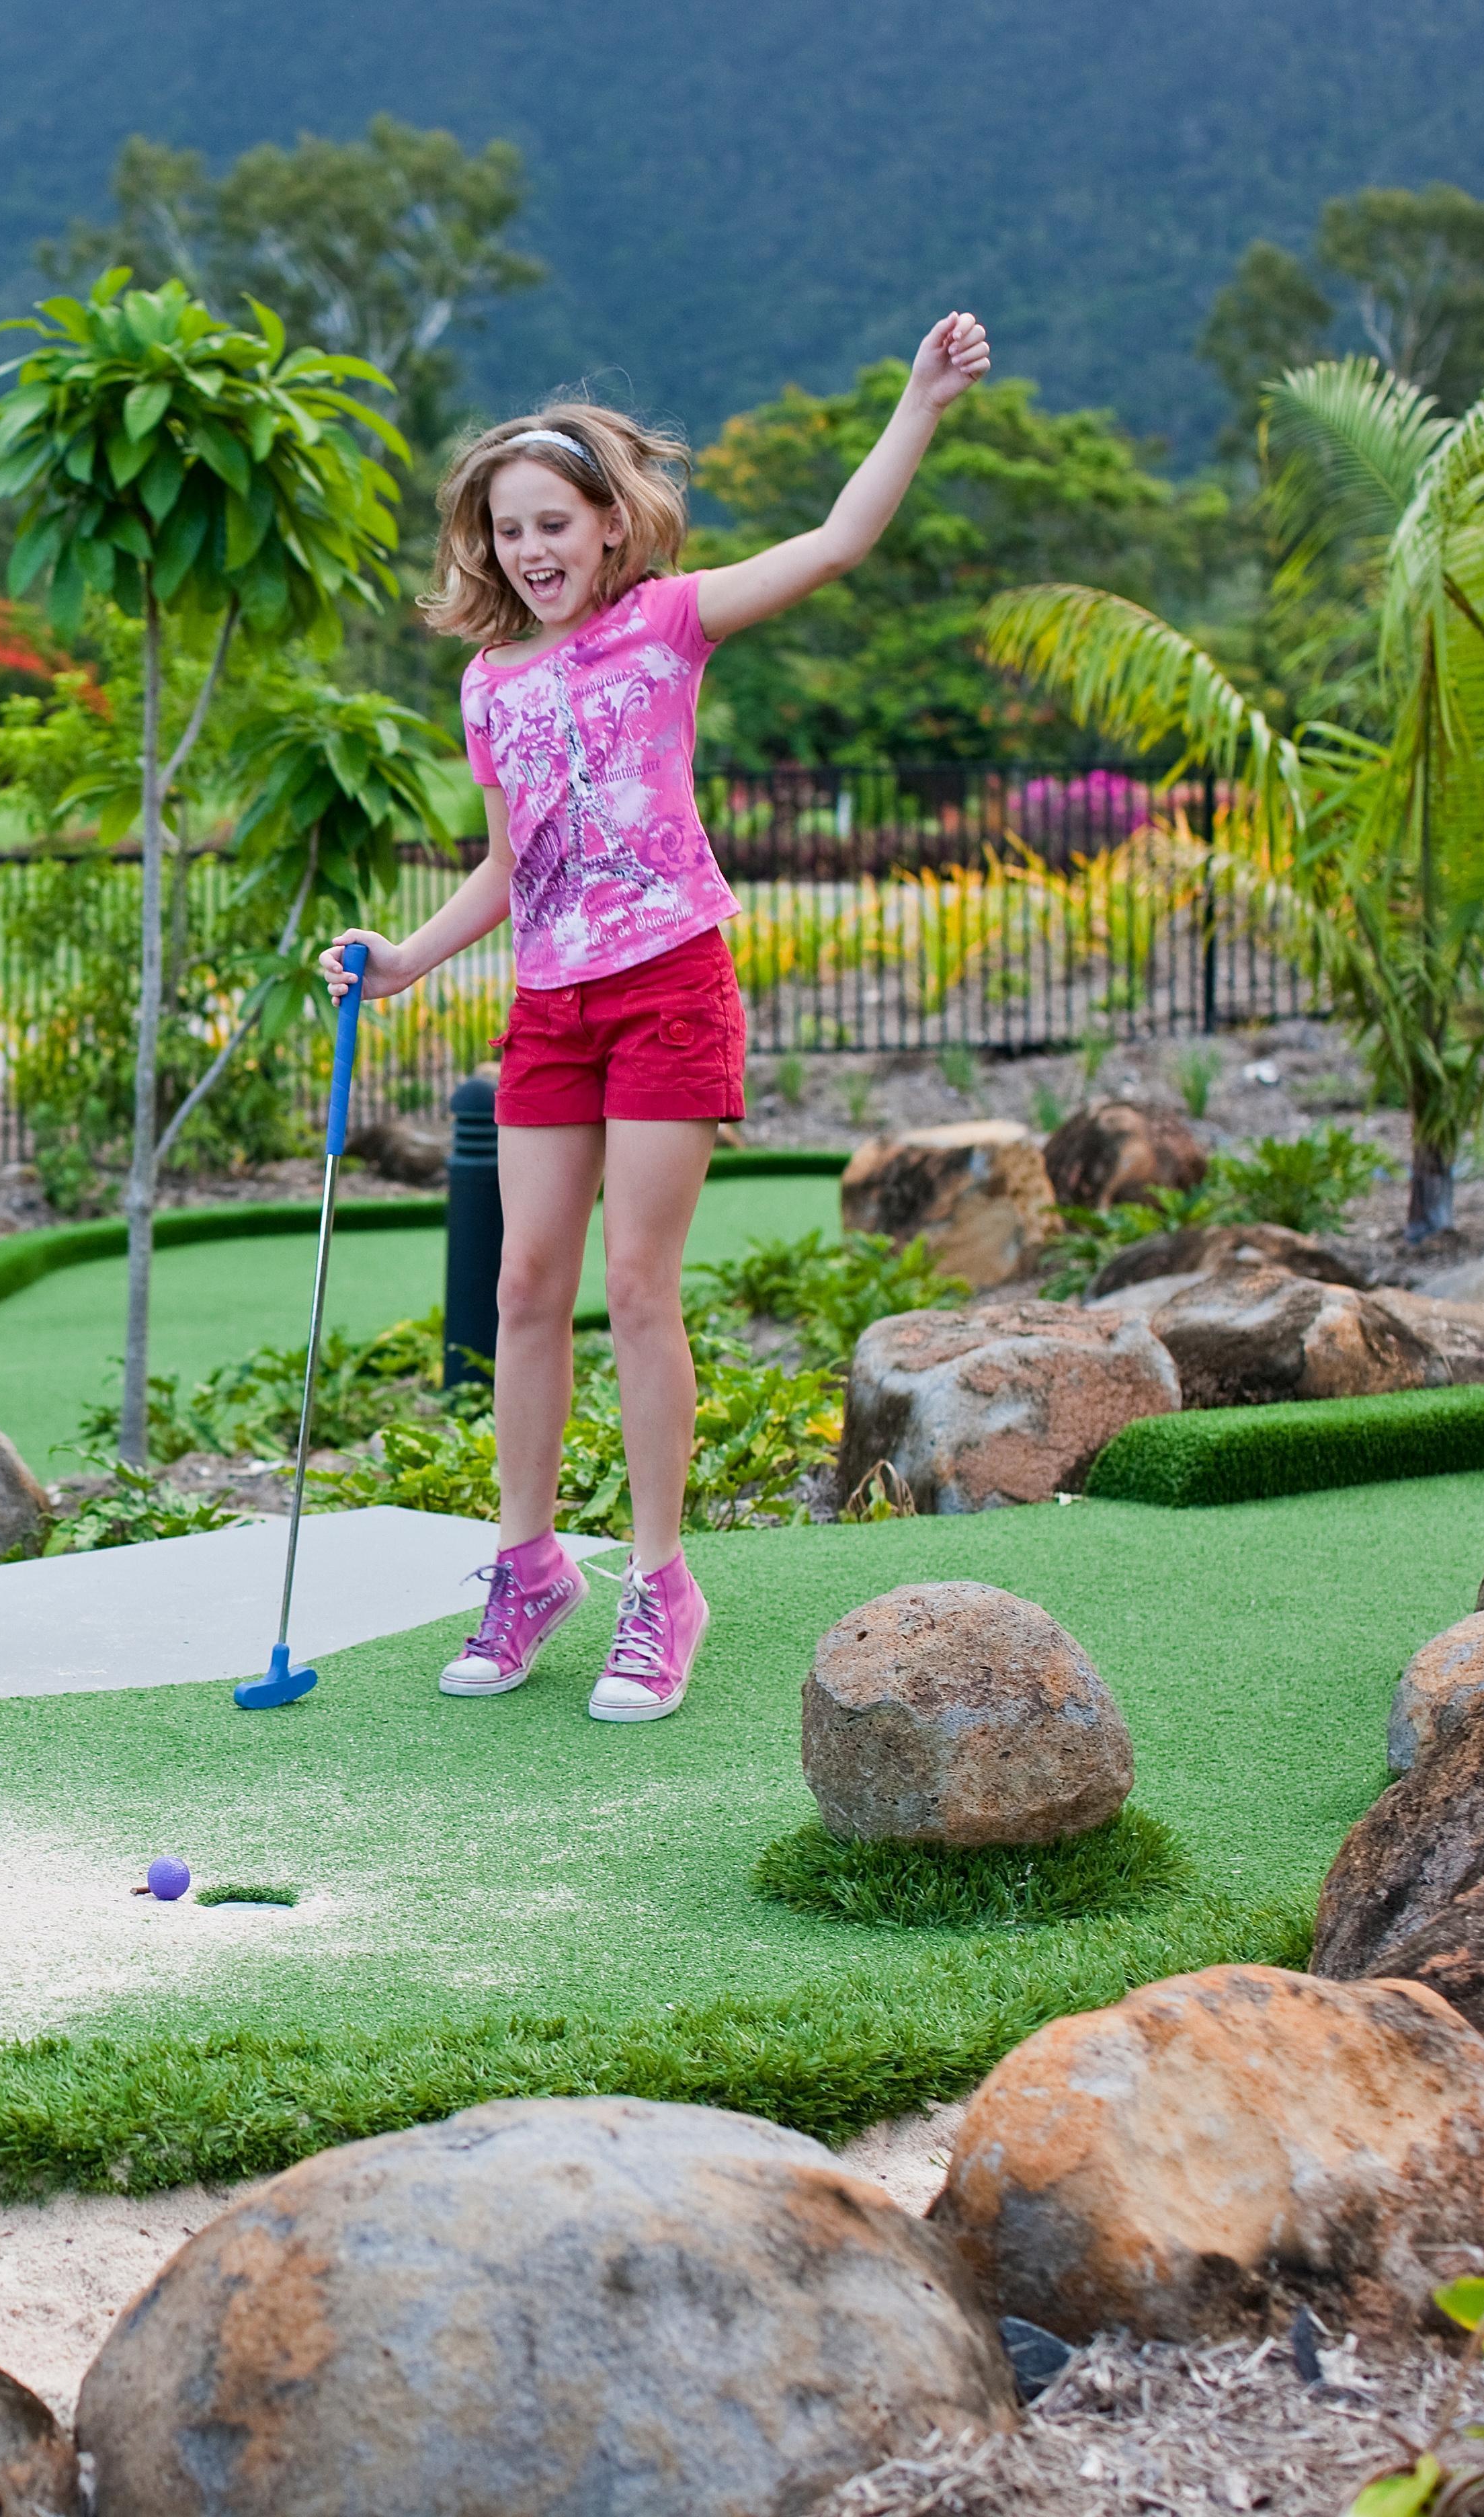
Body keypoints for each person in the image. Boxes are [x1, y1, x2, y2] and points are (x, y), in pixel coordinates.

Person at [325, 313, 994, 1718]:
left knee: (635, 1287)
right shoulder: (486, 685)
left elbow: (834, 546)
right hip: (549, 1009)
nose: (531, 550)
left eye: (553, 522)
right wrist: (405, 962)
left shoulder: (667, 626)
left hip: (671, 984)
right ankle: (525, 1568)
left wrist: (920, 404)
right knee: (520, 1289)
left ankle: (657, 1582)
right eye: (507, 531)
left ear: (611, 525)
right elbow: (511, 870)